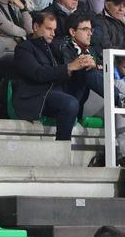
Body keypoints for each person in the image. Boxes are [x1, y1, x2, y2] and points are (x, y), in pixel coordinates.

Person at [10, 11, 104, 142]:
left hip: (60, 91)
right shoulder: (24, 48)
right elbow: (38, 74)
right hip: (38, 96)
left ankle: (119, 99)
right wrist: (70, 67)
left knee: (85, 69)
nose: (53, 33)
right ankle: (62, 146)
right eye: (49, 29)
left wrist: (88, 64)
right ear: (36, 27)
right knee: (69, 103)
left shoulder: (55, 48)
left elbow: (69, 68)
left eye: (54, 30)